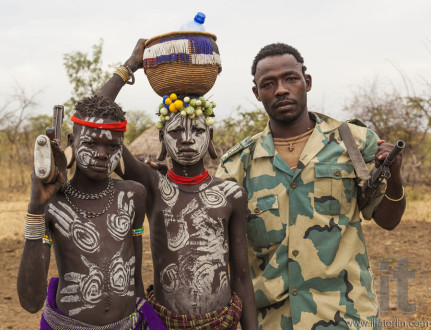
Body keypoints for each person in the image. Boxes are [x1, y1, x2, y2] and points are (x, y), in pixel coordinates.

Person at [215, 43, 406, 329]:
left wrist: (395, 174)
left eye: (290, 78)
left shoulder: (353, 143)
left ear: (307, 82)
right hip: (272, 322)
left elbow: (388, 221)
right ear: (257, 93)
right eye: (269, 83)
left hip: (346, 317)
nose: (281, 89)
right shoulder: (237, 165)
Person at [96, 39, 258, 329]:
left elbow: (242, 278)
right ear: (161, 140)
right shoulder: (153, 186)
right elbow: (95, 118)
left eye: (197, 130)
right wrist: (129, 67)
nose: (186, 138)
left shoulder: (231, 194)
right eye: (174, 131)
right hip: (164, 322)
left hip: (222, 323)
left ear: (210, 137)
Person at [17, 95, 164, 329]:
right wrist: (36, 209)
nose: (103, 154)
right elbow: (31, 302)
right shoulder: (54, 203)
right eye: (91, 143)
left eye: (114, 146)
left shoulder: (132, 195)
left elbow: (135, 277)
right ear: (71, 141)